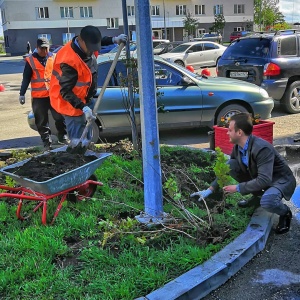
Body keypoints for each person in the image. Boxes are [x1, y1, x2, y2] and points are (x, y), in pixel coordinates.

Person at [191, 113, 296, 234]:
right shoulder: (238, 147)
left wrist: (237, 188)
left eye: (230, 130)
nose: (227, 132)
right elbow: (228, 169)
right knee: (231, 164)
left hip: (279, 181)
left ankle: (285, 213)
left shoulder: (262, 148)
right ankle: (257, 197)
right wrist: (209, 190)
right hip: (264, 178)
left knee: (268, 201)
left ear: (239, 132)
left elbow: (264, 180)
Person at [49, 25, 127, 141]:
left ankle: (87, 150)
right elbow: (65, 91)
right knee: (77, 140)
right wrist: (83, 107)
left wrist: (114, 40)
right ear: (81, 40)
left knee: (88, 138)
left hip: (86, 99)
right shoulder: (69, 61)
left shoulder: (87, 46)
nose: (92, 51)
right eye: (90, 48)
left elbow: (98, 41)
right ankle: (78, 154)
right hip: (72, 104)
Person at [19, 37, 67, 150]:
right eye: (42, 48)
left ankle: (62, 136)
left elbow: (61, 74)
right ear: (37, 48)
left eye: (46, 48)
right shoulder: (31, 61)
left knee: (59, 116)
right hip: (39, 97)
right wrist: (22, 93)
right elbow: (26, 78)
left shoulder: (53, 57)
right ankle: (47, 143)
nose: (44, 51)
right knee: (41, 121)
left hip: (54, 94)